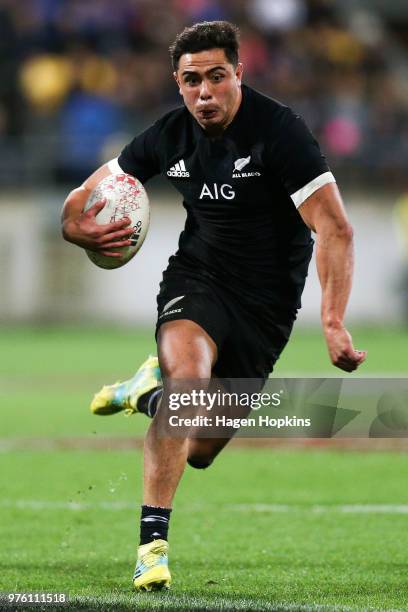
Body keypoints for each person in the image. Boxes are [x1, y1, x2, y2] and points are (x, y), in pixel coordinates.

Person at [61, 20, 366, 592]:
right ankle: (151, 547)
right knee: (189, 387)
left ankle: (146, 390)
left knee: (200, 448)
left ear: (239, 74)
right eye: (192, 80)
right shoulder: (167, 136)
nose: (205, 92)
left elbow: (335, 227)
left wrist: (331, 319)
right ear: (177, 83)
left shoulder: (280, 132)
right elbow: (85, 194)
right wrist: (73, 226)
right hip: (198, 281)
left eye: (217, 77)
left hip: (267, 307)